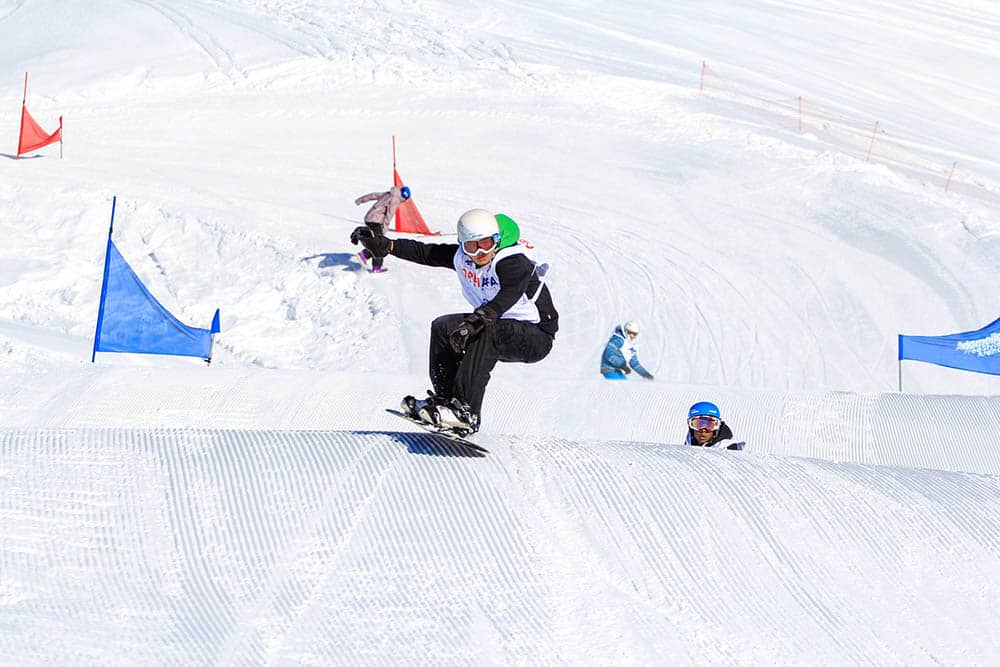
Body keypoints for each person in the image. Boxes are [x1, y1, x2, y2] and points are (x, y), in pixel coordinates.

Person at [351, 208, 558, 434]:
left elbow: (507, 296)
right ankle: (445, 402)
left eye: (486, 244)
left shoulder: (513, 262)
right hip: (497, 324)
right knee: (443, 327)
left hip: (535, 335)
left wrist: (477, 320)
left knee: (487, 331)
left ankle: (465, 412)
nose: (479, 252)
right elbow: (426, 252)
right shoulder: (463, 258)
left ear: (497, 241)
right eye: (471, 246)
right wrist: (387, 245)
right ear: (462, 244)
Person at [354, 185, 411, 273]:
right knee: (380, 244)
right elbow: (389, 216)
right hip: (375, 221)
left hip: (369, 218)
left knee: (376, 242)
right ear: (405, 196)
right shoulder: (396, 200)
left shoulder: (389, 193)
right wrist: (384, 230)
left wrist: (360, 200)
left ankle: (365, 256)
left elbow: (373, 195)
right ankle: (371, 262)